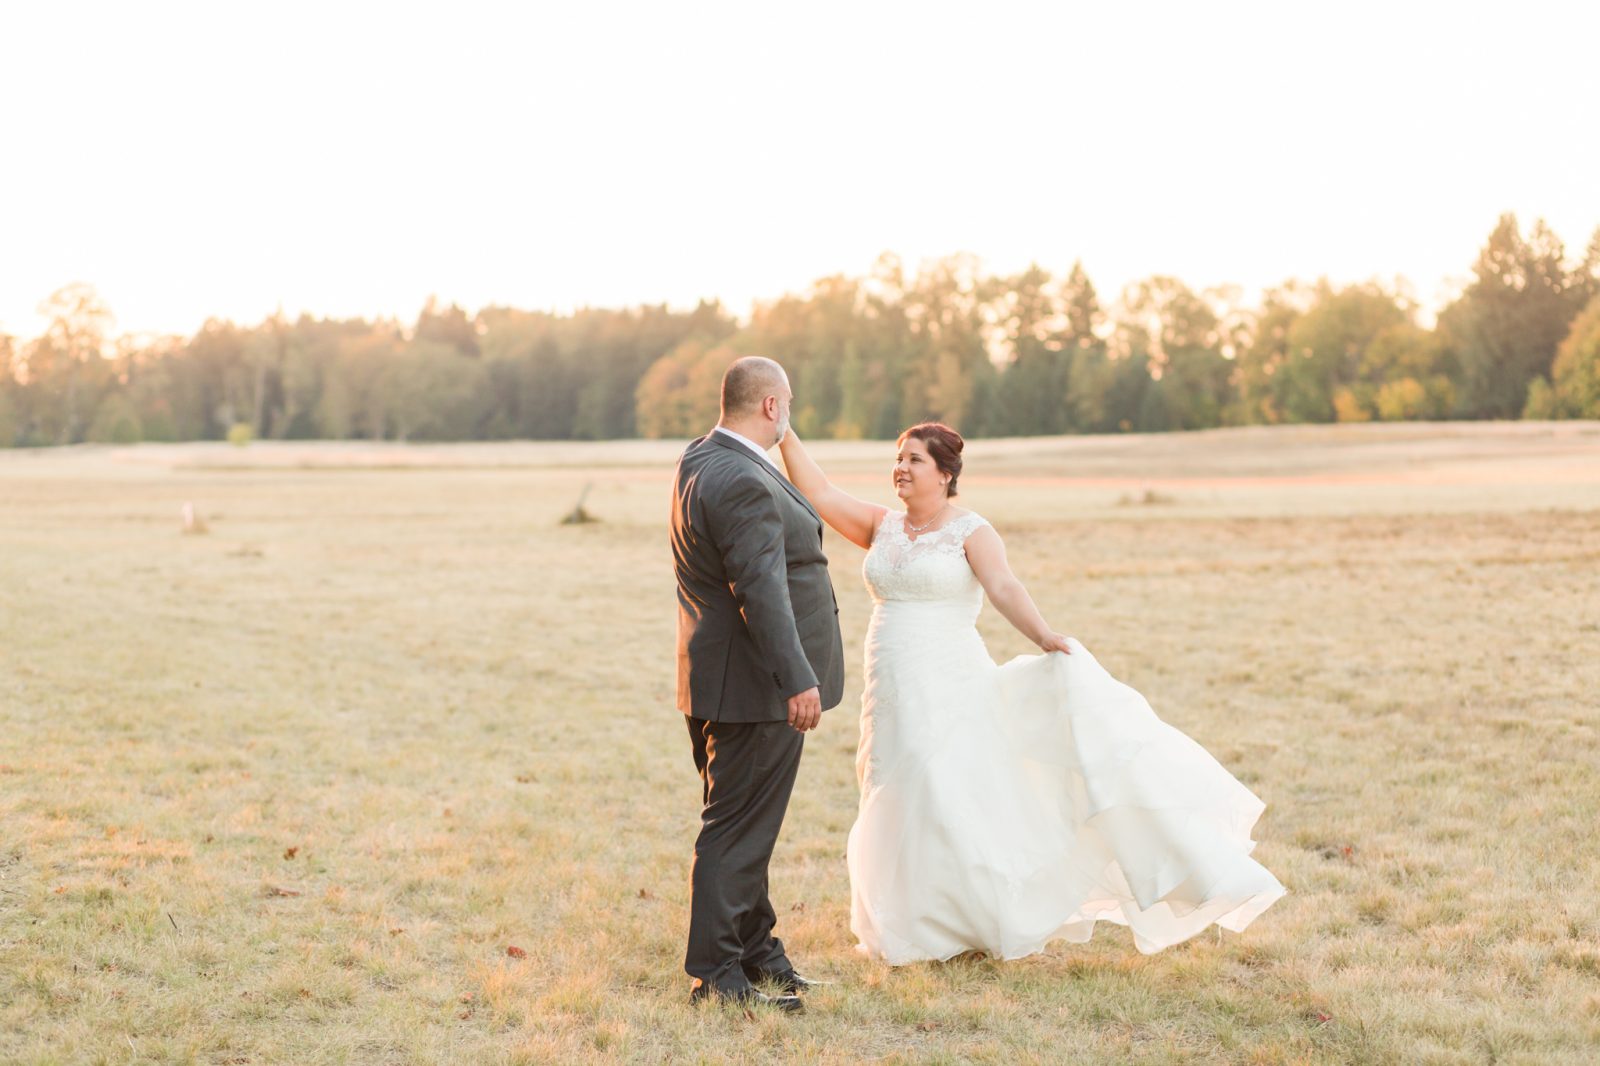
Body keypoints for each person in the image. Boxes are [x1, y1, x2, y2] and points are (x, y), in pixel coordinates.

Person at [777, 421, 1285, 964]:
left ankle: (964, 918)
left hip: (949, 676)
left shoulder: (971, 530)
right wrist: (784, 433)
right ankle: (905, 922)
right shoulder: (883, 526)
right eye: (898, 458)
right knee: (892, 785)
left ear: (945, 474)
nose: (900, 467)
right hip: (888, 679)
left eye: (915, 460)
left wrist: (1043, 635)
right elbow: (820, 492)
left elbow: (1003, 586)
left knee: (943, 786)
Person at [669, 357, 845, 1010]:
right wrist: (796, 679)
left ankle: (759, 953)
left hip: (717, 679)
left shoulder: (701, 458)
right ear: (772, 406)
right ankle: (717, 977)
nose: (789, 415)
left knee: (746, 827)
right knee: (735, 831)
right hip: (754, 686)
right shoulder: (741, 478)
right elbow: (760, 589)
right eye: (788, 404)